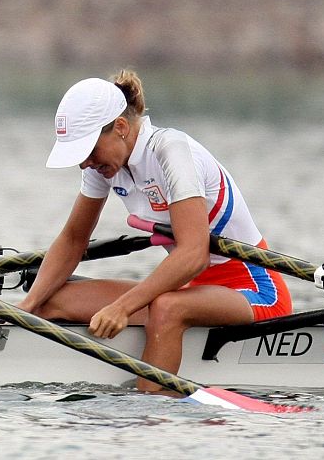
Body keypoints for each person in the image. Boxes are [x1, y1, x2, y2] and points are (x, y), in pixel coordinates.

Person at [17, 71, 291, 392]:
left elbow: (193, 255)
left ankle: (151, 413)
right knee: (53, 298)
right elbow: (73, 240)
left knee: (167, 308)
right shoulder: (105, 165)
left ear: (120, 128)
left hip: (254, 291)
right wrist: (27, 307)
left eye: (88, 151)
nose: (84, 164)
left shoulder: (171, 152)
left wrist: (122, 308)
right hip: (192, 287)